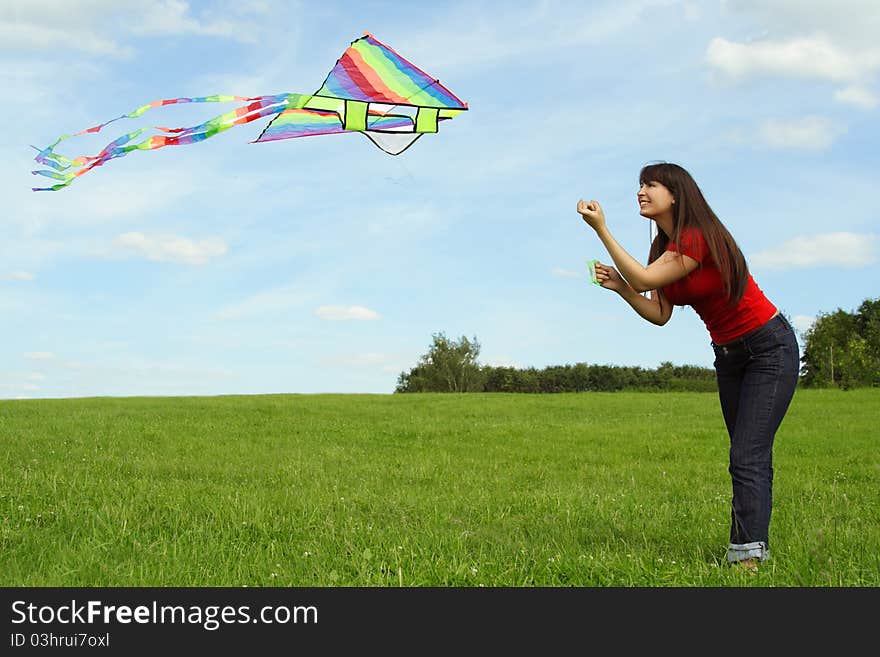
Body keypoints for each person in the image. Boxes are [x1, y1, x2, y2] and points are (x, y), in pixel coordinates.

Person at [576, 161, 799, 571]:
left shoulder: (697, 237)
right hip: (729, 357)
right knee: (749, 455)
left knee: (746, 455)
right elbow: (660, 312)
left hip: (768, 347)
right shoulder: (662, 250)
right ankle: (753, 546)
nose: (641, 192)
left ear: (675, 193)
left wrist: (601, 229)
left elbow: (645, 279)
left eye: (650, 185)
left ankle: (746, 559)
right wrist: (620, 289)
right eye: (640, 185)